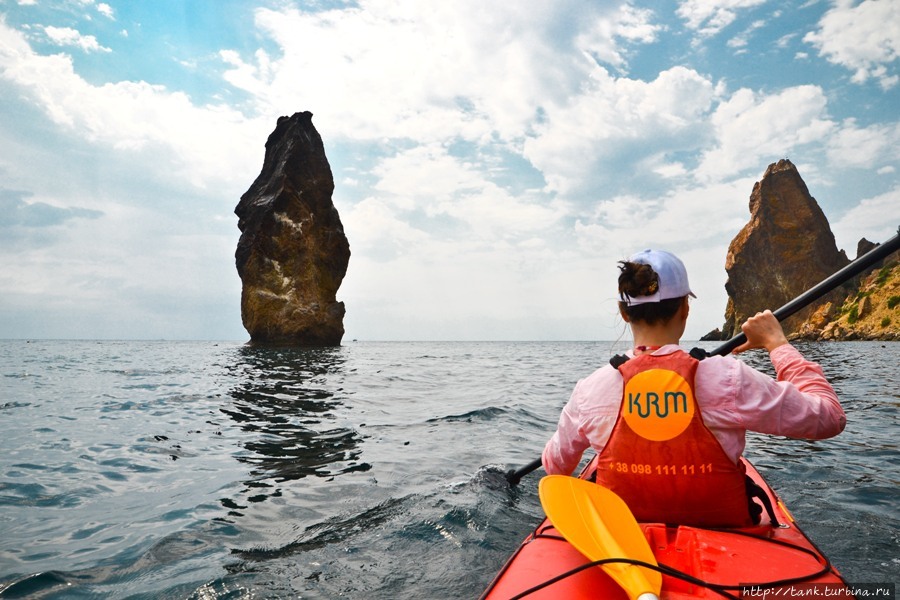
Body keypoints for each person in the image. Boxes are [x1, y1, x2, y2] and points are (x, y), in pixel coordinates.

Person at [541, 249, 846, 527]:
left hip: (625, 537)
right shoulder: (729, 378)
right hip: (727, 539)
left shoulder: (590, 389)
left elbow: (555, 467)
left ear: (624, 312)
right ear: (685, 308)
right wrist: (777, 344)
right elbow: (830, 417)